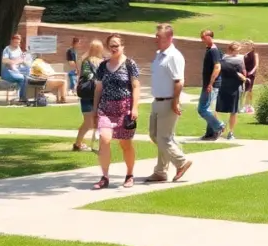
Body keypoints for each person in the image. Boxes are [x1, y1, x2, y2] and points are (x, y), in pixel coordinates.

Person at [91, 34, 141, 189]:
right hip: (105, 108)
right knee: (104, 140)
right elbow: (98, 88)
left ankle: (130, 174)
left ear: (122, 46)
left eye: (116, 45)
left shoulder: (129, 64)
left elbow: (136, 86)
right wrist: (94, 109)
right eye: (111, 46)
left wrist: (134, 108)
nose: (113, 49)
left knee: (125, 144)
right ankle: (105, 177)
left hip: (124, 109)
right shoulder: (102, 66)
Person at [144, 24, 192, 183]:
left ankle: (181, 162)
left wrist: (175, 102)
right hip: (157, 100)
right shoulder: (159, 54)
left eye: (159, 37)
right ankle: (161, 172)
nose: (156, 39)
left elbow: (179, 81)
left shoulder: (174, 56)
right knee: (155, 135)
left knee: (163, 137)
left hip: (168, 101)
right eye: (156, 36)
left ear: (170, 38)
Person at [73, 39, 104, 152]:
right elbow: (90, 75)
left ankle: (78, 143)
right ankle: (97, 145)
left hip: (87, 95)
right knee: (98, 121)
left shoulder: (85, 60)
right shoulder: (102, 62)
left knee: (88, 122)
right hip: (98, 94)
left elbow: (85, 74)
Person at [198, 29, 226, 140]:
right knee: (208, 109)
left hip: (211, 85)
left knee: (202, 109)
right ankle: (210, 133)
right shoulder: (210, 50)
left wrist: (210, 83)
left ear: (210, 37)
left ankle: (219, 126)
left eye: (204, 37)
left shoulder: (213, 51)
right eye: (201, 37)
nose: (202, 39)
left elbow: (217, 67)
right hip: (209, 84)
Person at [217, 41, 247, 140]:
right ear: (230, 50)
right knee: (217, 109)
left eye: (239, 51)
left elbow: (243, 71)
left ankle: (231, 132)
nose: (237, 53)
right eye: (236, 51)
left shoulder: (240, 59)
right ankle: (220, 126)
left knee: (233, 111)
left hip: (235, 86)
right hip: (225, 85)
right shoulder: (223, 59)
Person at [1, 33, 30, 103]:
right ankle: (21, 97)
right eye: (15, 42)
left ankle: (21, 97)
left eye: (18, 42)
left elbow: (21, 60)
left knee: (26, 77)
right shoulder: (7, 49)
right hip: (8, 71)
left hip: (17, 70)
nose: (17, 44)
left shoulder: (18, 49)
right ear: (11, 41)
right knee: (21, 78)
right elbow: (4, 60)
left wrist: (24, 61)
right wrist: (14, 62)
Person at [242, 40, 259, 114]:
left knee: (249, 89)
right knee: (244, 89)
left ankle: (249, 105)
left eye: (248, 45)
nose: (246, 46)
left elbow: (256, 65)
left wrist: (252, 71)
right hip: (245, 73)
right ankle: (244, 105)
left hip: (251, 74)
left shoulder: (255, 54)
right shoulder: (245, 55)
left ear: (252, 46)